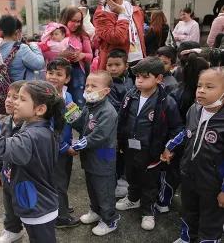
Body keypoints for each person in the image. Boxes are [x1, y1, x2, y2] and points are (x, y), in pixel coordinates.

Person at [0, 80, 64, 243]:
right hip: (36, 201)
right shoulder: (34, 127)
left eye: (22, 99)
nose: (15, 102)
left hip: (38, 207)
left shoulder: (33, 136)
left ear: (40, 109)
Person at [116, 57, 183, 231]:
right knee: (131, 175)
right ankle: (133, 199)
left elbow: (177, 128)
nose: (139, 80)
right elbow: (122, 119)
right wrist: (118, 139)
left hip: (151, 152)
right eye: (137, 76)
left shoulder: (166, 102)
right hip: (130, 148)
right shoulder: (130, 96)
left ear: (159, 78)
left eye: (145, 77)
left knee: (149, 183)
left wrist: (169, 148)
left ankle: (147, 211)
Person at [164, 68, 224, 243]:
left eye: (209, 87)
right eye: (199, 85)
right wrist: (170, 147)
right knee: (189, 210)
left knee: (211, 219)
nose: (202, 90)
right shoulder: (195, 109)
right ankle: (187, 237)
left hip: (212, 183)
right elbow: (186, 133)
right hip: (189, 175)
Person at [156, 52, 209, 214]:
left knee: (169, 172)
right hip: (194, 142)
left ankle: (164, 201)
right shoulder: (204, 98)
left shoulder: (176, 91)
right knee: (182, 174)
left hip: (175, 139)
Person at [72, 70, 119, 236]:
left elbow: (98, 136)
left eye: (94, 86)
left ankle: (110, 220)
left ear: (105, 90)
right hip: (90, 158)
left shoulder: (107, 111)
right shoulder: (89, 106)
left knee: (104, 191)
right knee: (92, 188)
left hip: (102, 159)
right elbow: (82, 127)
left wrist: (76, 146)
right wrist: (72, 114)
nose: (89, 89)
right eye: (87, 85)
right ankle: (96, 211)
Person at [45, 58, 80, 228]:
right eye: (50, 73)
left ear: (67, 79)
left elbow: (71, 120)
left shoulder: (68, 95)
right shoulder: (46, 99)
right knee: (58, 181)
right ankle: (61, 218)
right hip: (54, 148)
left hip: (66, 145)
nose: (53, 77)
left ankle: (61, 205)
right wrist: (65, 147)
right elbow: (47, 129)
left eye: (59, 74)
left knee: (64, 178)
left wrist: (74, 110)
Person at [0, 80, 26, 243]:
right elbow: (1, 152)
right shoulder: (4, 122)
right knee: (9, 203)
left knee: (27, 204)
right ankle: (13, 229)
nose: (9, 100)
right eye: (8, 95)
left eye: (16, 97)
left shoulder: (29, 126)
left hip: (25, 176)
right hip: (7, 174)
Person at [93, 0, 146, 75]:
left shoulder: (136, 10)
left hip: (138, 62)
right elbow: (117, 38)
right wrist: (122, 14)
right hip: (116, 67)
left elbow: (140, 39)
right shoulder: (101, 14)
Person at [0, 14, 45, 82]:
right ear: (17, 32)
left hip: (0, 90)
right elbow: (39, 64)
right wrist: (34, 46)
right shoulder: (21, 48)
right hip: (20, 89)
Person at [105, 49, 133, 198]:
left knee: (124, 155)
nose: (113, 68)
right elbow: (115, 108)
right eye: (110, 65)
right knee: (115, 156)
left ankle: (123, 179)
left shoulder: (130, 80)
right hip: (116, 127)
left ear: (126, 65)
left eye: (117, 64)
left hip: (128, 126)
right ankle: (115, 184)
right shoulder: (108, 85)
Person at [59, 7, 93, 109]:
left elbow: (90, 55)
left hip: (77, 71)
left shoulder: (82, 35)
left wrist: (82, 55)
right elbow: (48, 53)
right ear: (66, 19)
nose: (76, 24)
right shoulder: (57, 33)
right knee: (60, 101)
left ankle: (78, 123)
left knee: (78, 101)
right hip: (59, 71)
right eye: (73, 21)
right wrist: (61, 55)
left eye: (79, 21)